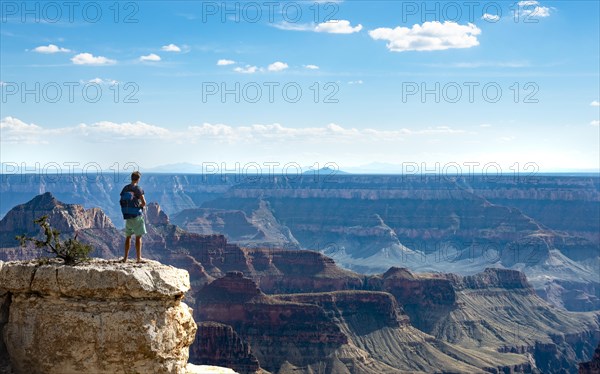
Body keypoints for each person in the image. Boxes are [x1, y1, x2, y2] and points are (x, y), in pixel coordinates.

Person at [120, 171, 147, 263]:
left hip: (127, 215)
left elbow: (122, 200)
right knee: (138, 237)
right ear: (138, 179)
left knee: (128, 237)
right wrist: (139, 205)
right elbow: (144, 203)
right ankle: (139, 258)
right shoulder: (138, 189)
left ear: (131, 178)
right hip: (136, 216)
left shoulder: (125, 188)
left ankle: (125, 258)